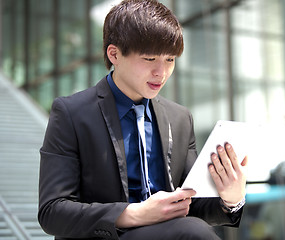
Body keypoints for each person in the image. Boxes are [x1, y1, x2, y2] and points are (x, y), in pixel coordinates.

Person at [38, 0, 248, 239]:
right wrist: (136, 213)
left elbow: (194, 206)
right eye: (149, 59)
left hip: (172, 232)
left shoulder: (179, 119)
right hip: (107, 235)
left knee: (195, 230)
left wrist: (231, 198)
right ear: (114, 54)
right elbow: (52, 211)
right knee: (194, 233)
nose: (161, 72)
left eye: (170, 60)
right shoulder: (72, 113)